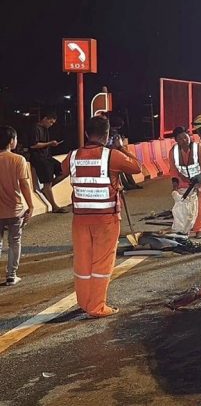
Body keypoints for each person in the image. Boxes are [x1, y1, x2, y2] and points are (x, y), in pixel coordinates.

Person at [61, 116, 141, 318]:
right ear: (107, 135)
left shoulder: (72, 156)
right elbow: (136, 167)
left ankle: (84, 302)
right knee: (102, 263)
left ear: (86, 133)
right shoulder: (112, 156)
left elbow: (63, 170)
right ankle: (96, 307)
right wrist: (121, 147)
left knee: (82, 261)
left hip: (80, 219)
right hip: (106, 219)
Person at [0, 126, 34, 285]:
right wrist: (31, 206)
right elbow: (24, 185)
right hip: (15, 209)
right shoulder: (18, 160)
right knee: (14, 242)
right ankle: (11, 275)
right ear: (11, 141)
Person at [168, 126, 201, 238]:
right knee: (184, 208)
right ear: (176, 140)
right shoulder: (173, 152)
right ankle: (185, 229)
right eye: (180, 139)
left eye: (185, 137)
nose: (184, 140)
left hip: (200, 181)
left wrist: (199, 183)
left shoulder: (198, 148)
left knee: (200, 206)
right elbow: (173, 170)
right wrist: (175, 186)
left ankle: (199, 229)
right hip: (184, 182)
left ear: (189, 136)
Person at [28, 110, 68, 213]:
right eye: (50, 122)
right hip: (39, 158)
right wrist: (49, 143)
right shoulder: (35, 128)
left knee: (64, 171)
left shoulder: (45, 129)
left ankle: (46, 190)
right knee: (47, 181)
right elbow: (33, 145)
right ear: (45, 119)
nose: (51, 124)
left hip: (47, 157)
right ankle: (54, 206)